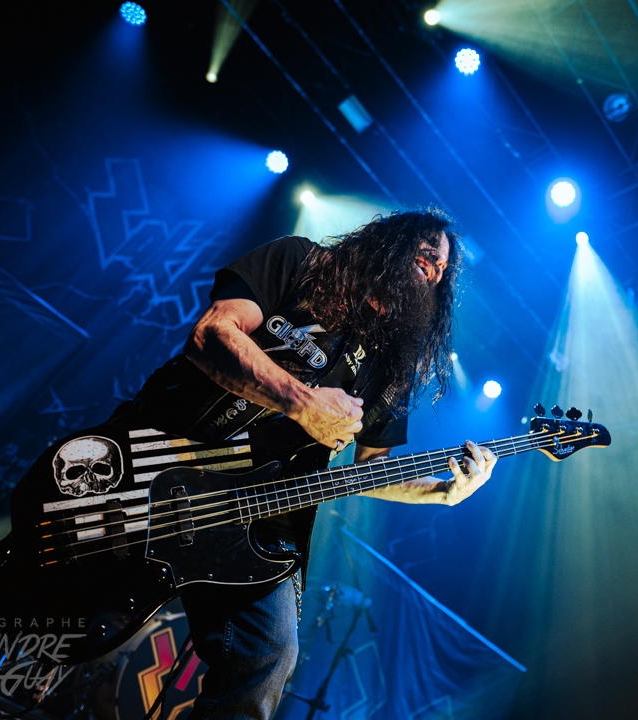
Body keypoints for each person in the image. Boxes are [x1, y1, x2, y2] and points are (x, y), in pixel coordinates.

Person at [107, 207, 498, 720]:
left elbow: (371, 468)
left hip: (261, 516)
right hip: (166, 458)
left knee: (265, 655)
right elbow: (211, 333)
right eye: (426, 252)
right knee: (69, 601)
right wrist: (302, 401)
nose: (434, 269)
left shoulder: (393, 366)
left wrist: (442, 492)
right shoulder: (300, 262)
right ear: (389, 243)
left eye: (442, 269)